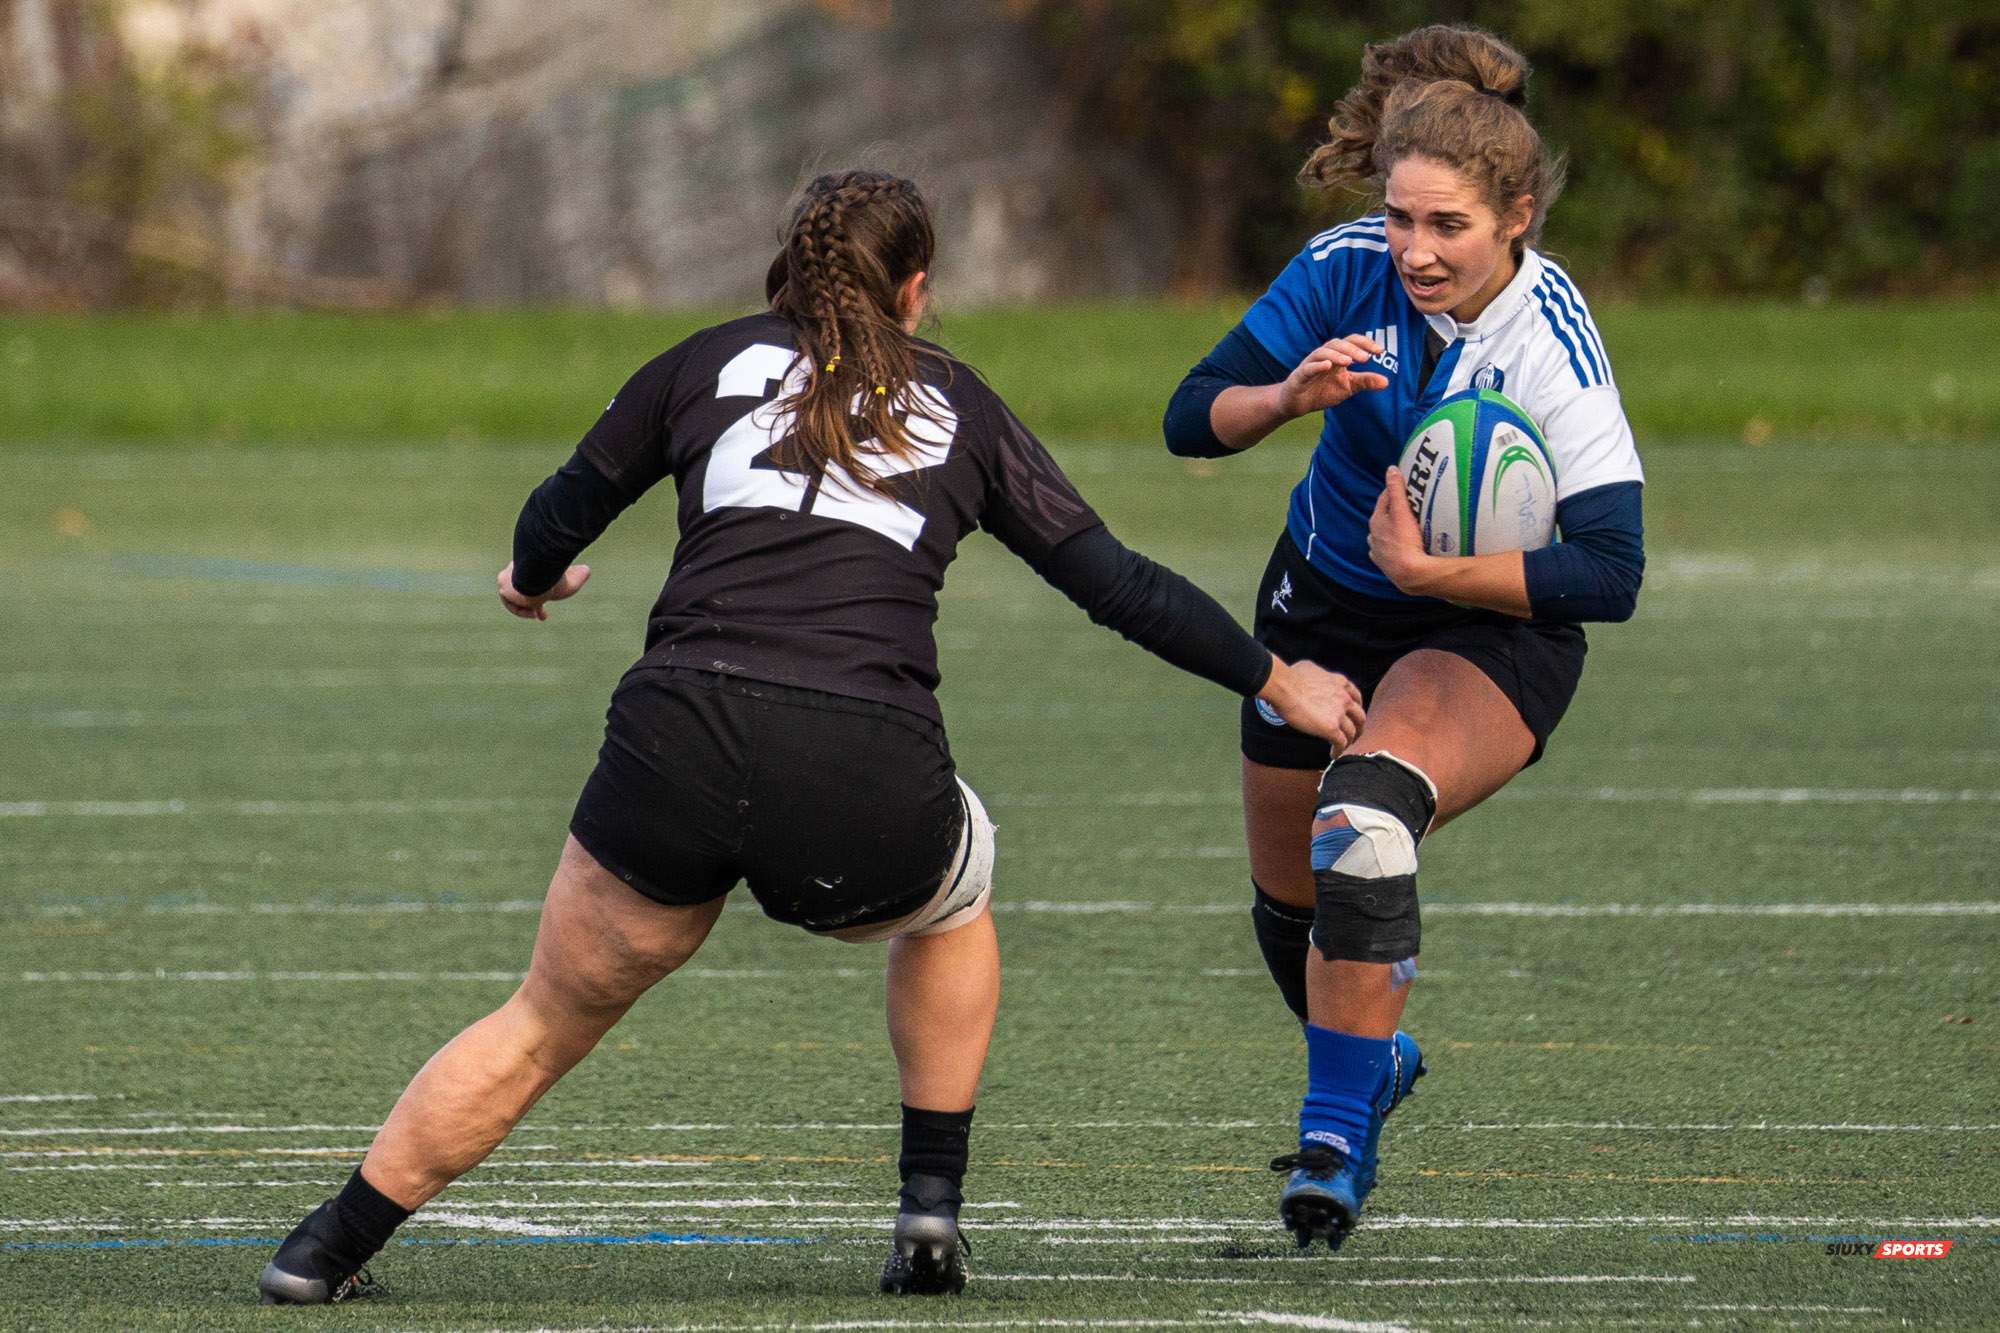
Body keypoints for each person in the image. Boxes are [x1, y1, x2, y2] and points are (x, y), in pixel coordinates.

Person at [256, 170, 1365, 1306]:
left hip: (675, 735)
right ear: (915, 288)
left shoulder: (703, 361)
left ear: (785, 265)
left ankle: (323, 1249)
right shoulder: (960, 402)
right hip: (857, 762)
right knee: (956, 889)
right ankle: (928, 1211)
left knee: (541, 1019)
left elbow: (556, 511)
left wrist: (533, 578)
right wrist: (1282, 680)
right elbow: (1118, 584)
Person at [1161, 26, 1646, 1249]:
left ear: (1516, 217)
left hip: (1481, 629)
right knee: (1288, 908)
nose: (1415, 252)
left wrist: (1438, 570)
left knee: (1361, 825)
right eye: (1399, 220)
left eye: (1447, 228)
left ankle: (1332, 1147)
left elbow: (1608, 569)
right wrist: (1285, 398)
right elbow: (1186, 419)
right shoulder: (1339, 267)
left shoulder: (1551, 344)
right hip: (1318, 605)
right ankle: (1374, 1063)